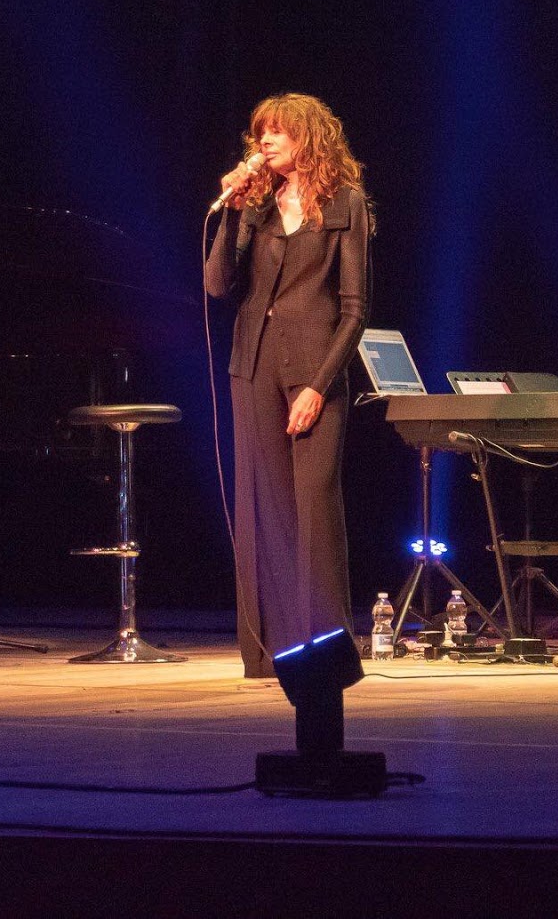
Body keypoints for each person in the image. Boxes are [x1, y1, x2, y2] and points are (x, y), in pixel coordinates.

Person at [204, 93, 371, 678]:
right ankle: (266, 653)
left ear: (308, 138)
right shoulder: (257, 207)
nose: (265, 142)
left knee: (314, 505)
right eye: (261, 133)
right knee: (261, 507)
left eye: (277, 132)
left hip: (313, 369)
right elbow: (218, 285)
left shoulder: (345, 204)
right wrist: (233, 211)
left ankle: (327, 651)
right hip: (252, 366)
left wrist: (319, 385)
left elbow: (354, 311)